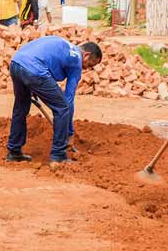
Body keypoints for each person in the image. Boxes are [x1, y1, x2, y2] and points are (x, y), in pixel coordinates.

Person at [6, 36, 102, 165]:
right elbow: (68, 99)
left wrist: (33, 86)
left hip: (16, 64)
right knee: (63, 108)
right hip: (35, 69)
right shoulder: (76, 61)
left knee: (21, 108)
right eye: (90, 64)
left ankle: (14, 152)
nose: (87, 68)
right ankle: (58, 155)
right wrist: (69, 132)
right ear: (86, 55)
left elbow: (43, 56)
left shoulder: (64, 44)